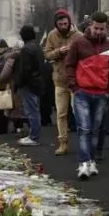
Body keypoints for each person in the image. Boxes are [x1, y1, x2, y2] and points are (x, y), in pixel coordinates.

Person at [65, 11, 109, 180]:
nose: (99, 31)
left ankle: (91, 160)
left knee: (95, 130)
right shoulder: (78, 43)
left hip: (101, 93)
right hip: (83, 92)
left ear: (106, 27)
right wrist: (74, 87)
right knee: (84, 129)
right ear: (90, 25)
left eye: (102, 28)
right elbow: (69, 65)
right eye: (96, 28)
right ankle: (83, 163)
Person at [44, 10, 83, 155]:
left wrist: (72, 52)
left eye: (65, 23)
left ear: (69, 22)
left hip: (76, 81)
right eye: (60, 24)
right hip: (59, 81)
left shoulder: (79, 36)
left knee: (78, 113)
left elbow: (86, 55)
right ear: (56, 24)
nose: (63, 26)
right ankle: (63, 143)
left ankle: (82, 143)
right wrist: (59, 52)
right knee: (61, 114)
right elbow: (46, 54)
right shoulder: (52, 35)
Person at [15, 25, 45, 147]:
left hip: (29, 84)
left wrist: (19, 83)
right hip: (37, 81)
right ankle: (34, 135)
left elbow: (24, 70)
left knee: (31, 111)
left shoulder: (26, 49)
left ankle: (34, 137)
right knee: (35, 109)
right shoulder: (38, 47)